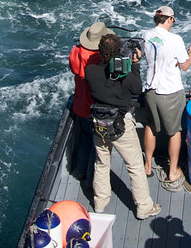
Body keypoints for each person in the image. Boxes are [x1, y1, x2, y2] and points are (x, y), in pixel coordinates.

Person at [85, 33, 161, 220]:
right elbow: (136, 89)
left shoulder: (90, 71)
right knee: (134, 166)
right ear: (119, 51)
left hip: (99, 124)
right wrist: (134, 65)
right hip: (121, 125)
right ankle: (144, 207)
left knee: (101, 163)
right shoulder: (124, 75)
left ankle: (100, 202)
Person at [141, 5, 191, 190]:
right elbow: (185, 66)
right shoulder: (175, 39)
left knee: (151, 125)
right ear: (170, 19)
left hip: (150, 90)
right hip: (170, 93)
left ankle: (147, 166)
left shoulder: (146, 36)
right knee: (174, 132)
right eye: (173, 20)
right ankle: (172, 171)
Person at [67, 21, 112, 192]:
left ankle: (79, 170)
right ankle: (91, 181)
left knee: (86, 138)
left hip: (80, 104)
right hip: (95, 108)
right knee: (97, 145)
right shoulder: (97, 59)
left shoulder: (76, 51)